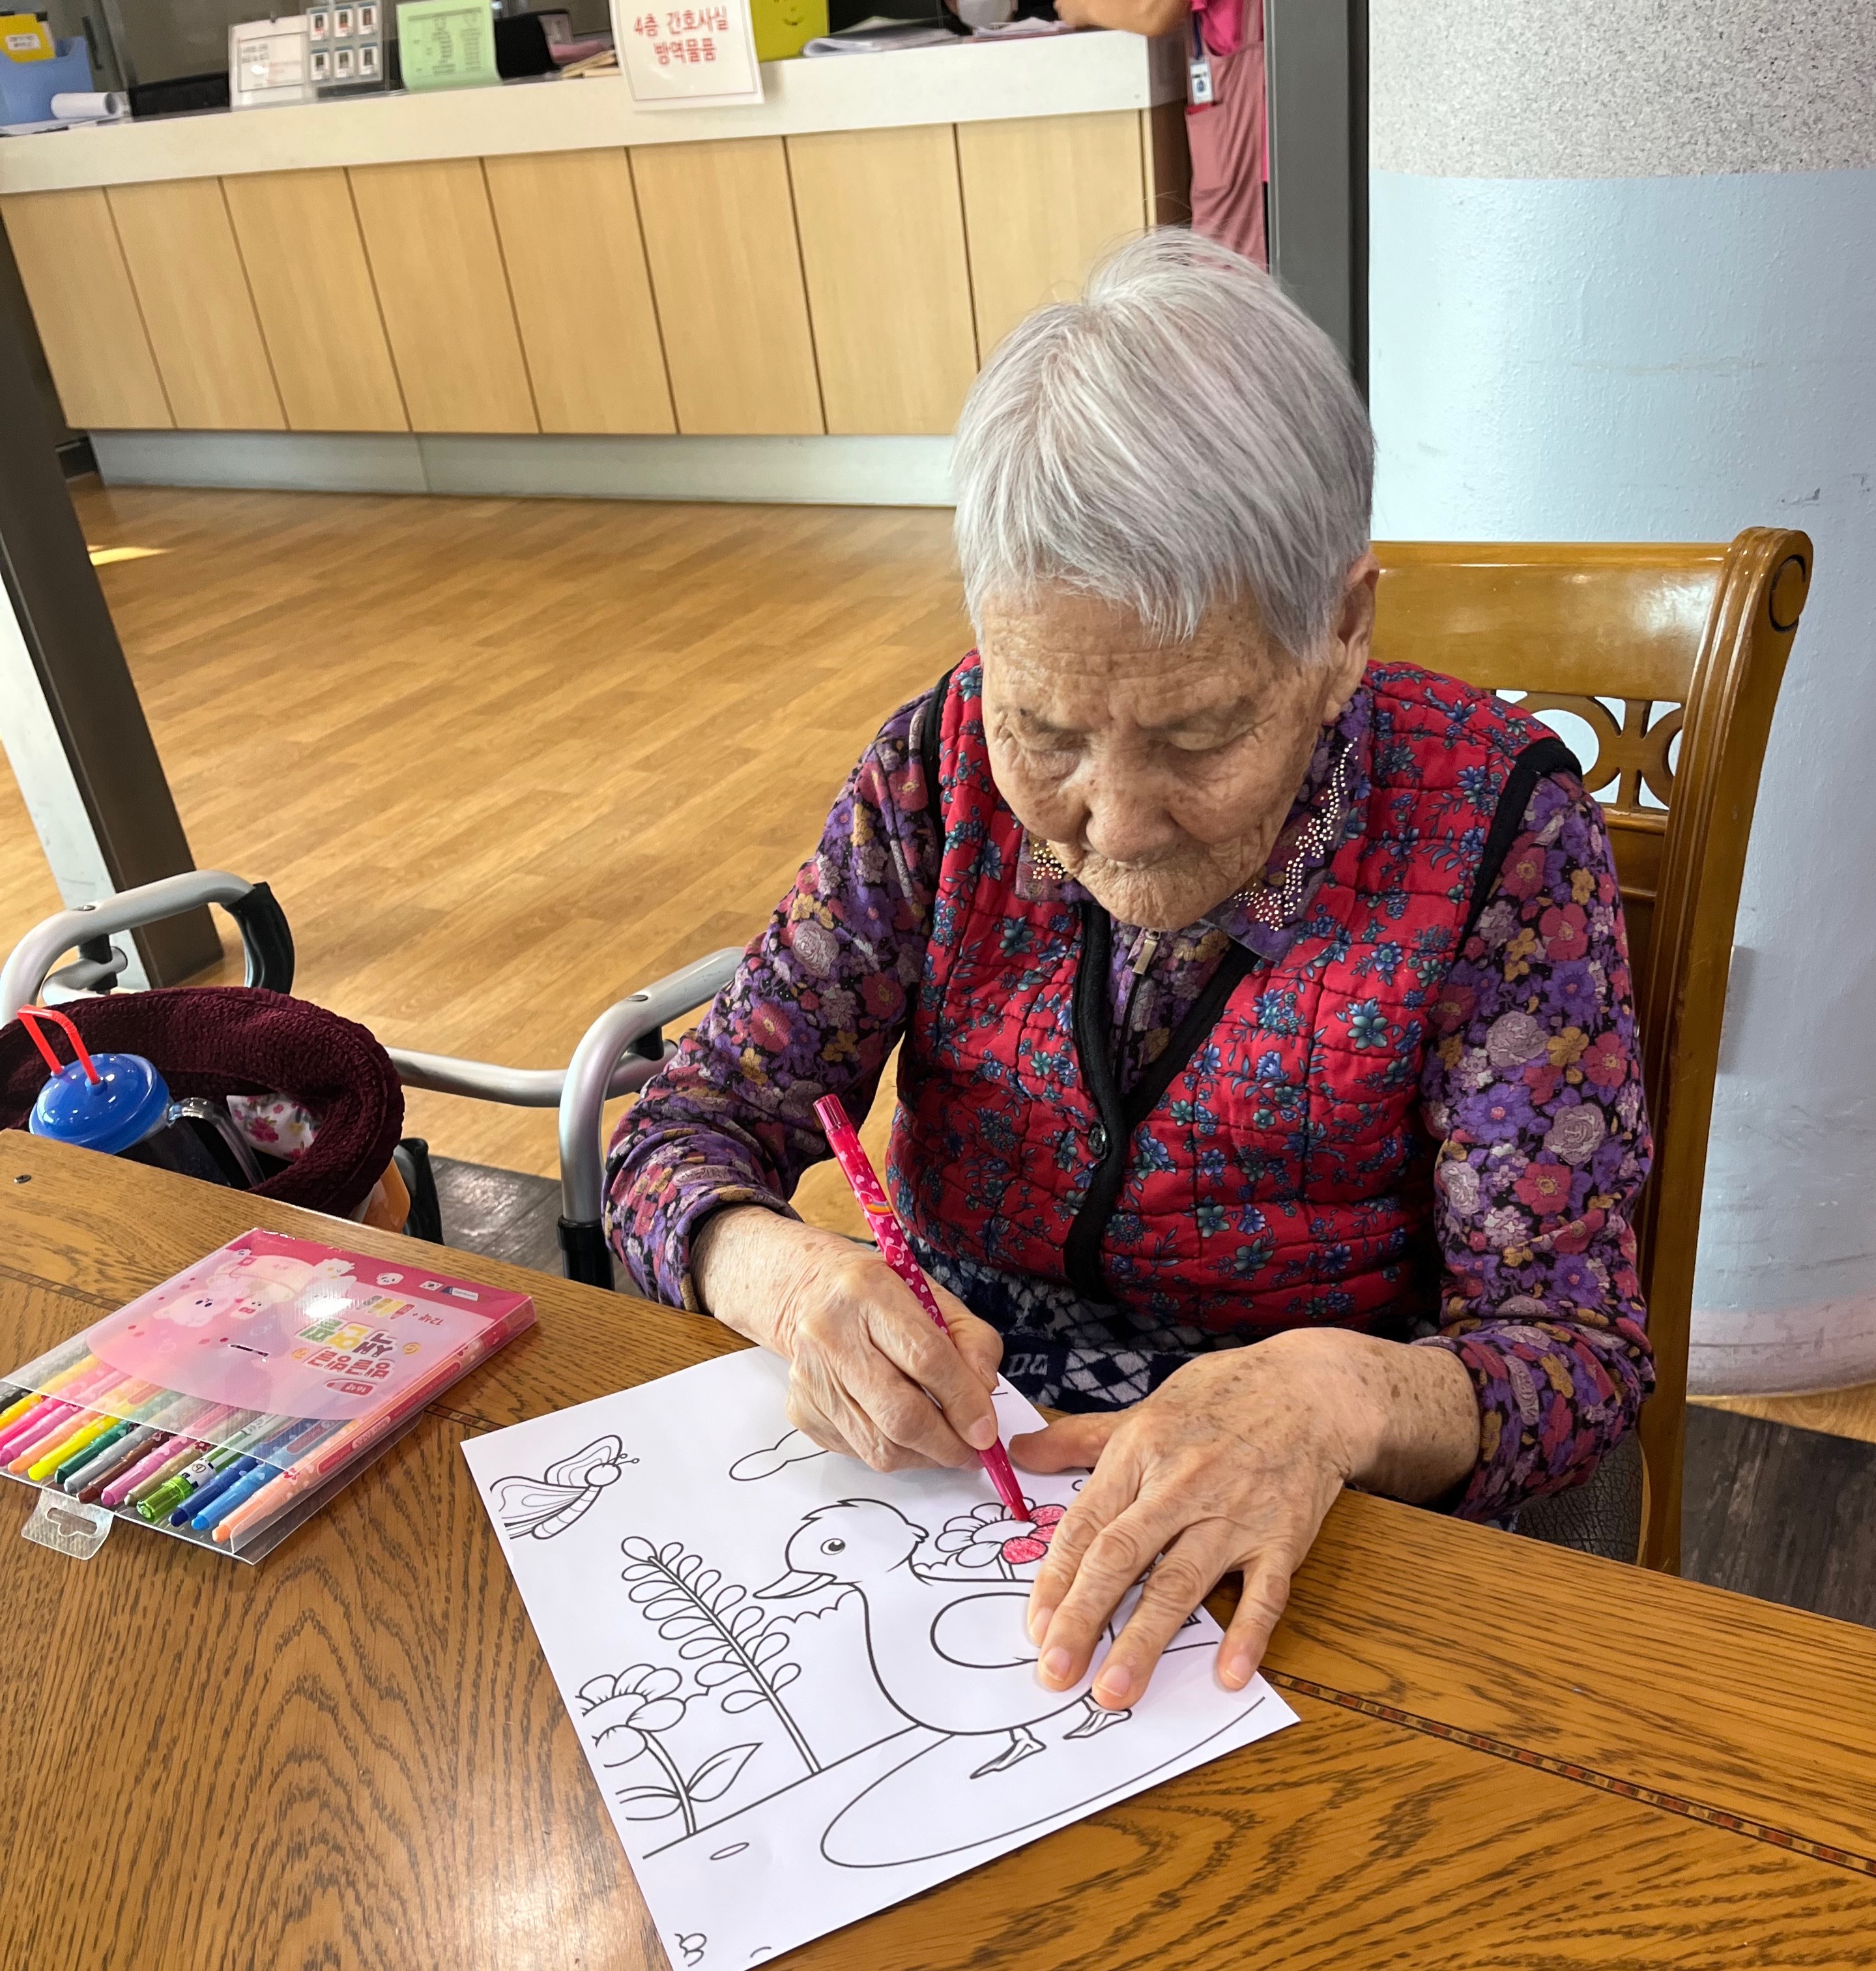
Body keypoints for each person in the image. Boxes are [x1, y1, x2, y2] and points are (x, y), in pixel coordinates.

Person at [605, 232, 1653, 1719]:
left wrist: (1329, 1396)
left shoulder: (1490, 831)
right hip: (950, 1471)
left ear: (1341, 628)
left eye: (1196, 735)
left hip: (1319, 1501)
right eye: (1045, 729)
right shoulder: (936, 770)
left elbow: (1572, 1351)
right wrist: (783, 1280)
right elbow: (685, 1120)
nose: (1109, 822)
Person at [1053, 0, 1267, 265]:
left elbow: (1152, 12)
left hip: (1254, 137)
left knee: (1234, 258)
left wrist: (1083, 8)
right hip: (1245, 119)